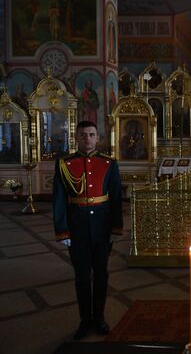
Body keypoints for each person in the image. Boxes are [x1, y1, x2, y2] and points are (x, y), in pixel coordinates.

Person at [52, 120, 123, 340]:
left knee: (101, 274)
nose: (88, 138)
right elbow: (59, 200)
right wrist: (63, 231)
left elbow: (116, 199)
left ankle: (99, 318)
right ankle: (85, 320)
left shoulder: (110, 164)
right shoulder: (64, 164)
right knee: (82, 277)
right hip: (77, 227)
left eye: (91, 134)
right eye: (83, 135)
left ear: (98, 137)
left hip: (102, 227)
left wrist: (115, 227)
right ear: (76, 137)